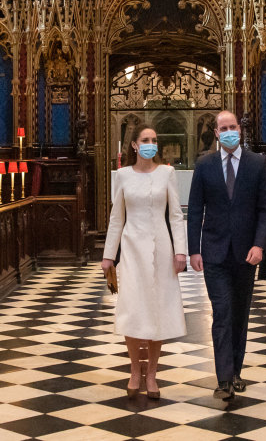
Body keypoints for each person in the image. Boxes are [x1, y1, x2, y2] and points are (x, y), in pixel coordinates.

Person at [187, 109, 266, 400]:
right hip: (214, 252)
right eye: (222, 128)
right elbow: (195, 209)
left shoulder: (257, 163)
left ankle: (235, 371)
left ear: (240, 129)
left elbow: (265, 209)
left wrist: (260, 245)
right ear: (215, 133)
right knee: (222, 313)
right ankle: (224, 379)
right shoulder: (204, 165)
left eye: (232, 126)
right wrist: (194, 250)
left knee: (240, 313)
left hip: (246, 253)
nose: (228, 132)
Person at [102, 123, 187, 399]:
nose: (151, 143)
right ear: (135, 145)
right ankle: (134, 371)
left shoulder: (167, 173)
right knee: (133, 308)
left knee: (157, 309)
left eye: (155, 139)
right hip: (132, 250)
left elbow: (175, 215)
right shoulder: (123, 175)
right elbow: (117, 218)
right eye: (145, 139)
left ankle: (151, 374)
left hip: (162, 249)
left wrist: (180, 251)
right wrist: (107, 255)